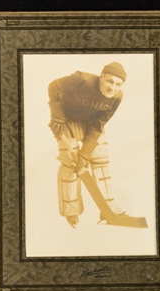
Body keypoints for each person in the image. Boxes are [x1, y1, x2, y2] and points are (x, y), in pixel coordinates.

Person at [47, 62, 127, 228]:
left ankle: (107, 208)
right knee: (71, 161)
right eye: (110, 81)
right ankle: (71, 210)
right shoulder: (82, 80)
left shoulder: (117, 98)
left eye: (118, 84)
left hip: (89, 124)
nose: (113, 88)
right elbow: (53, 86)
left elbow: (98, 125)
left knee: (100, 156)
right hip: (66, 120)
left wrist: (86, 153)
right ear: (102, 76)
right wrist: (57, 115)